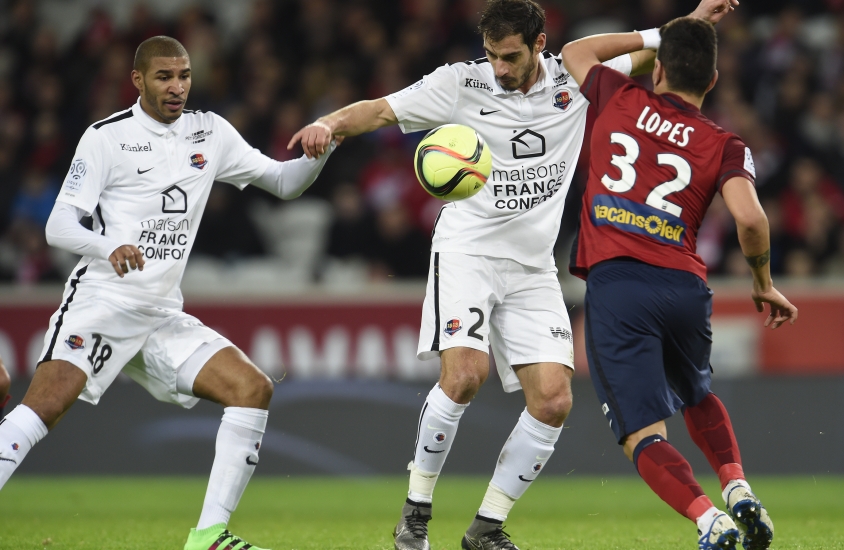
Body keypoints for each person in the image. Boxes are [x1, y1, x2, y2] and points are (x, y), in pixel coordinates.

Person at [291, 1, 725, 548]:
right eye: (493, 55)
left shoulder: (578, 79)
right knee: (465, 374)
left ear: (541, 44)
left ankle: (486, 528)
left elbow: (659, 59)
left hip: (533, 263)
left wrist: (693, 22)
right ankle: (416, 515)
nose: (499, 67)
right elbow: (379, 111)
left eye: (511, 56)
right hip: (468, 249)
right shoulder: (460, 84)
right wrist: (327, 123)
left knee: (553, 399)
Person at [0, 36, 336, 550]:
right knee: (43, 407)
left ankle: (208, 537)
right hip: (104, 301)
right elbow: (58, 226)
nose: (176, 87)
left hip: (160, 313)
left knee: (252, 389)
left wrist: (320, 147)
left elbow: (284, 183)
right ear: (138, 81)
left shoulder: (211, 132)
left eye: (183, 76)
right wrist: (110, 244)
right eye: (164, 77)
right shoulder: (106, 137)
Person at [561, 8, 796, 550]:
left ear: (658, 70)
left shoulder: (619, 97)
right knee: (696, 392)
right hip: (685, 287)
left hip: (619, 284)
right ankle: (737, 488)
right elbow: (753, 219)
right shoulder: (726, 144)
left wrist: (661, 32)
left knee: (642, 433)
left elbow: (577, 51)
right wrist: (761, 280)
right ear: (711, 81)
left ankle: (708, 520)